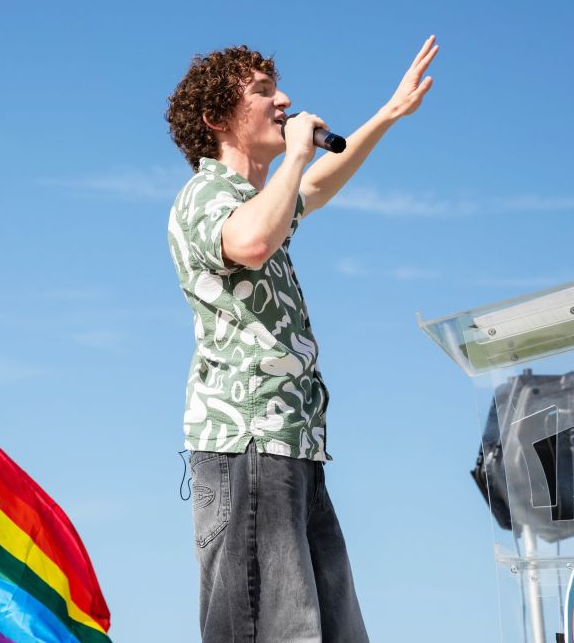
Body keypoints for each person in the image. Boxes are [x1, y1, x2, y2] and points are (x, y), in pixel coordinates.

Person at [165, 37, 438, 642]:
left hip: (292, 446)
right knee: (276, 630)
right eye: (261, 92)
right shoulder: (206, 196)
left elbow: (313, 189)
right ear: (216, 119)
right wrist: (291, 158)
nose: (284, 99)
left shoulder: (261, 199)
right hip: (249, 443)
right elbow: (252, 243)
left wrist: (387, 114)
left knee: (328, 631)